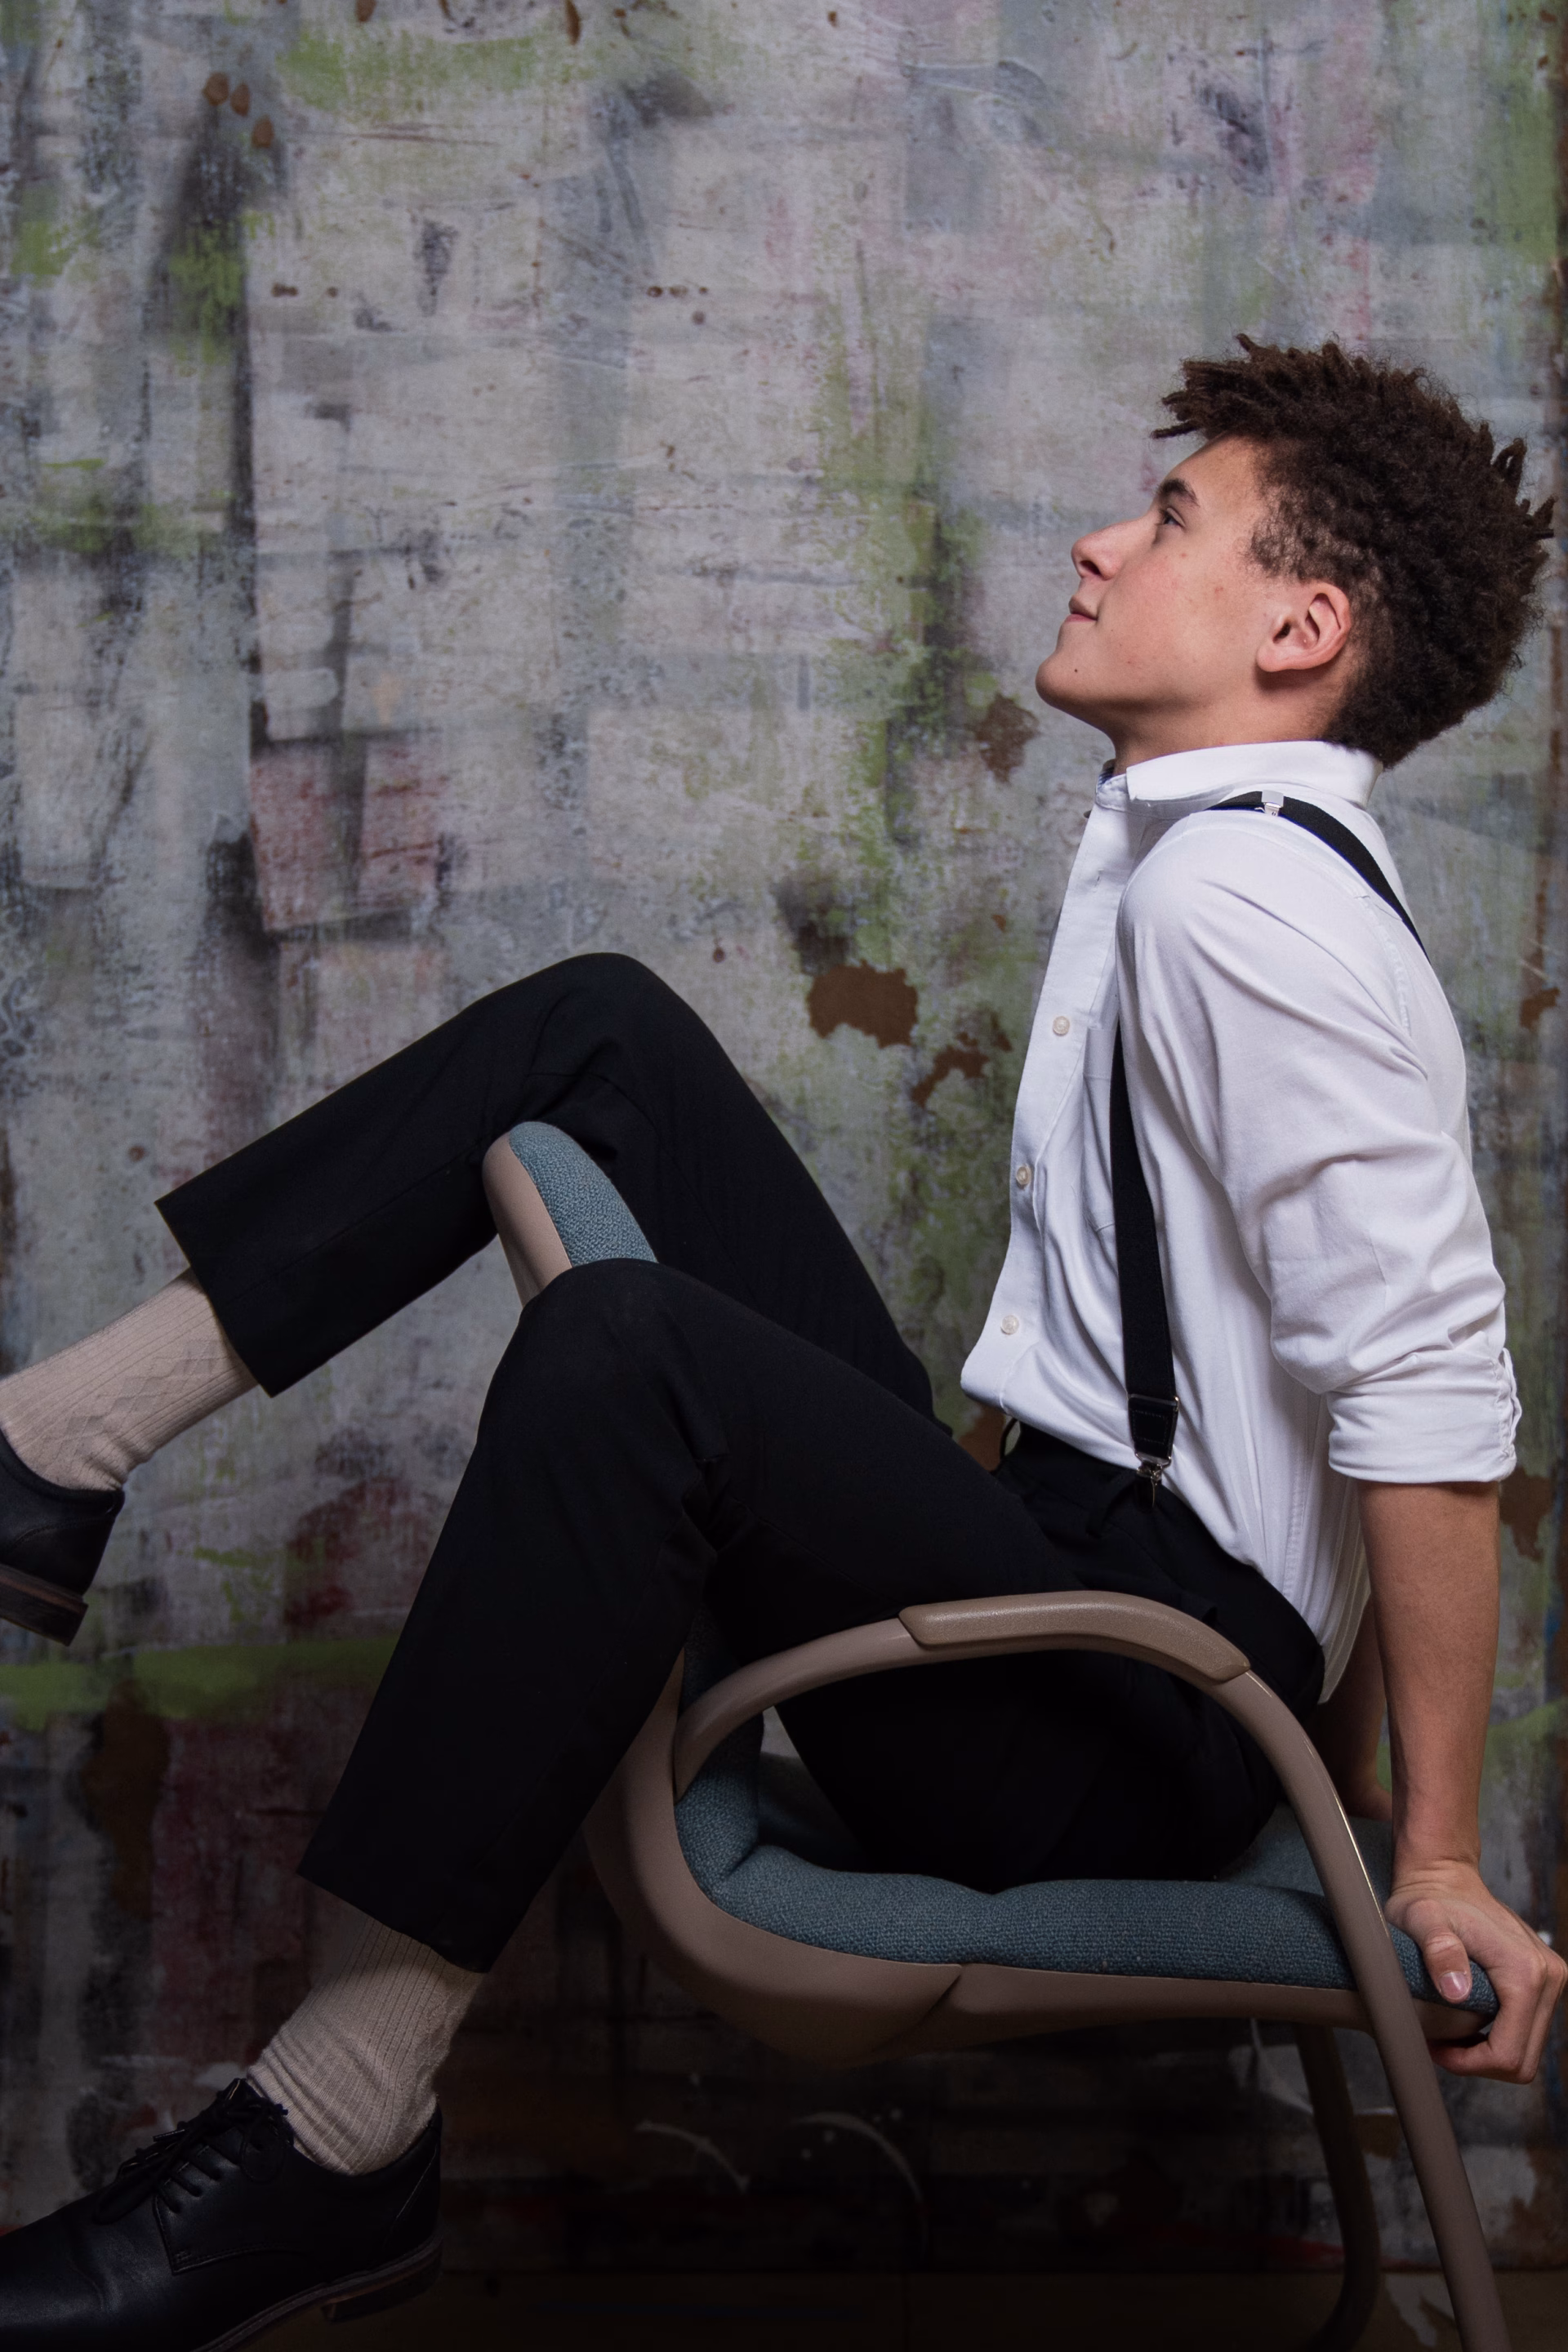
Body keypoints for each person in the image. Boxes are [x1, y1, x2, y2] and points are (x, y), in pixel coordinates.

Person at [0, 337, 1561, 2346]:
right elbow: (1232, 1399)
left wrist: (1430, 1857)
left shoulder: (1253, 909)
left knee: (631, 1348)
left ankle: (337, 2128)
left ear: (1300, 628)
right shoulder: (1204, 859)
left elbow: (1426, 1399)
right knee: (605, 1035)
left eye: (1172, 518)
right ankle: (50, 1448)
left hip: (1112, 1719)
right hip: (1083, 1615)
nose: (1099, 544)